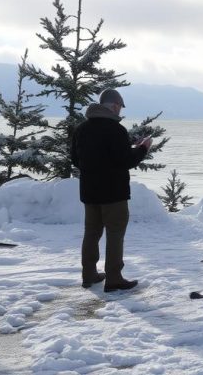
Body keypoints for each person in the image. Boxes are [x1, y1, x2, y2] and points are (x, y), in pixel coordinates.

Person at [72, 88, 151, 292]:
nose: (119, 112)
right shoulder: (115, 130)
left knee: (91, 233)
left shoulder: (82, 129)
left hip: (89, 191)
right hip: (113, 193)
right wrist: (142, 148)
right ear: (115, 105)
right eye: (119, 107)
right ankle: (114, 277)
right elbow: (125, 160)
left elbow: (75, 159)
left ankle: (88, 274)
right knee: (115, 233)